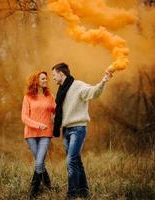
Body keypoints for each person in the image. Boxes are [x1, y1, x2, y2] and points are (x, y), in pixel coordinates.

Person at [51, 63, 112, 199]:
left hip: (78, 129)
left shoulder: (78, 85)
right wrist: (54, 119)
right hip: (66, 130)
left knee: (71, 161)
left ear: (61, 74)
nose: (53, 78)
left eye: (54, 75)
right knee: (76, 161)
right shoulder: (61, 90)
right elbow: (61, 110)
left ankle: (71, 194)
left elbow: (93, 92)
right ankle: (84, 191)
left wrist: (103, 81)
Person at [21, 71, 56, 199]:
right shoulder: (28, 97)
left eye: (46, 78)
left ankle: (33, 192)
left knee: (39, 161)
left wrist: (56, 117)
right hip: (30, 134)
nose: (46, 80)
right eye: (43, 78)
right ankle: (48, 185)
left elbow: (56, 111)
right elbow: (24, 117)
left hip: (46, 133)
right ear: (36, 81)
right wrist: (37, 125)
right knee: (39, 162)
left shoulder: (50, 96)